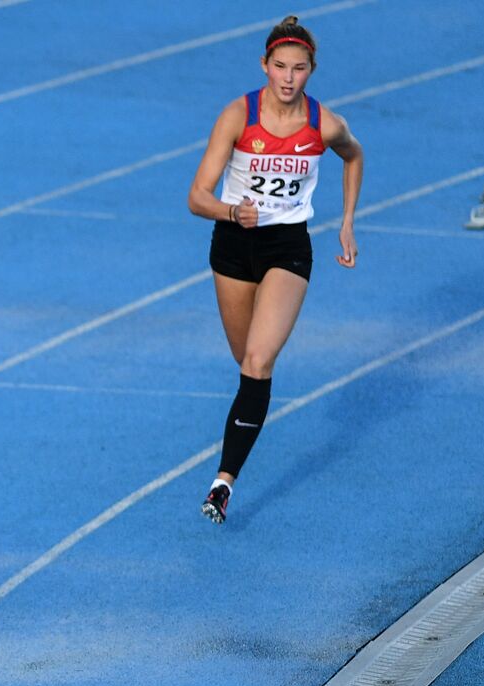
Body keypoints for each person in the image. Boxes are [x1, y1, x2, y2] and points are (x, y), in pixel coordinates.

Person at [187, 14, 363, 523]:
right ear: (264, 65)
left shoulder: (324, 124)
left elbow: (354, 158)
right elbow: (197, 196)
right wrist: (230, 211)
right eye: (280, 67)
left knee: (259, 360)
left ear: (312, 70)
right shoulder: (237, 116)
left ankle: (223, 482)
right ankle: (245, 430)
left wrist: (347, 222)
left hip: (288, 246)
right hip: (233, 246)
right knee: (246, 364)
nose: (288, 78)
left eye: (300, 69)